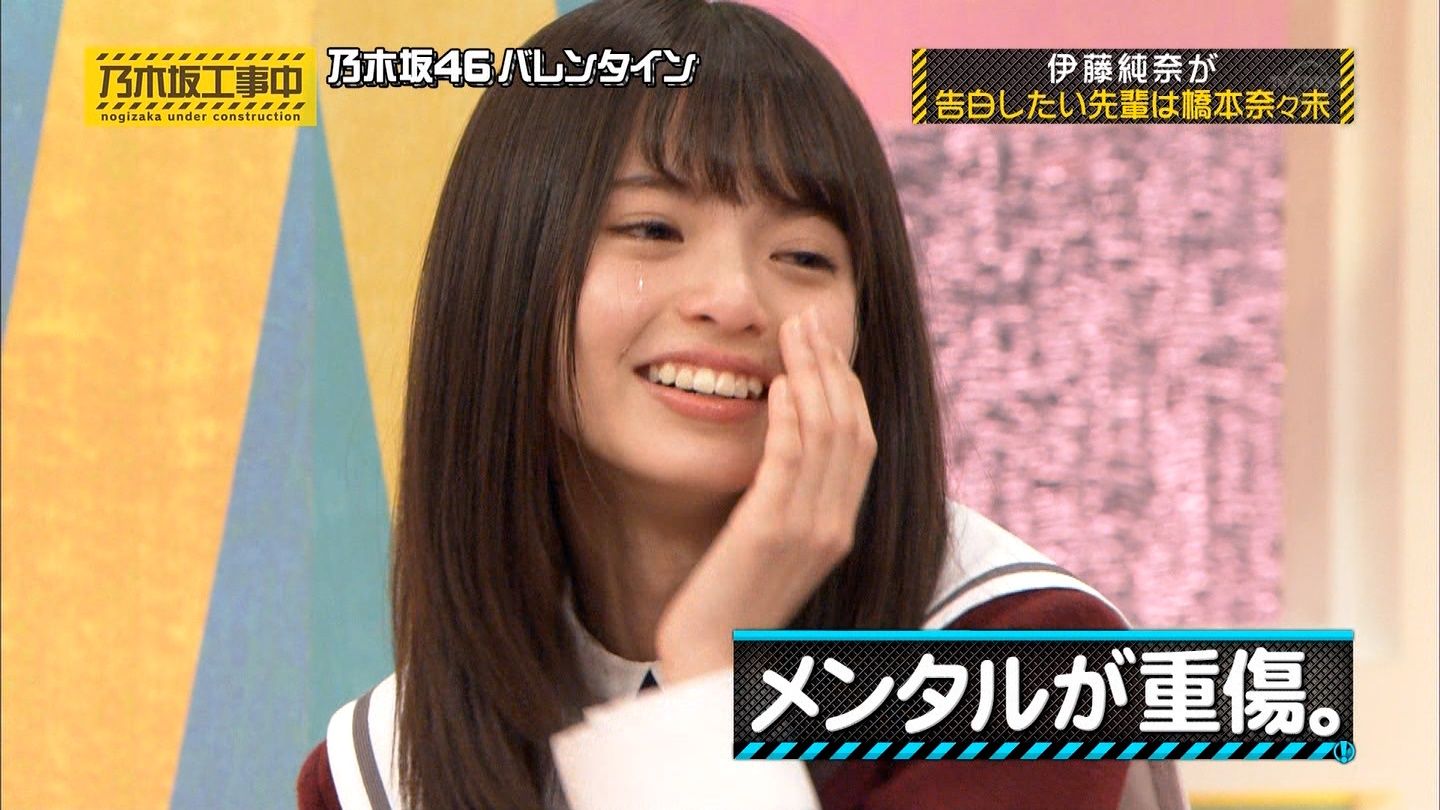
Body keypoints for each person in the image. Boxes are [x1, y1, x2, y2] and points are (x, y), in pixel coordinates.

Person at [297, 1, 1187, 808]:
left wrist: (713, 661)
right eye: (653, 229)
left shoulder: (1022, 662)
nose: (733, 300)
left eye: (802, 256)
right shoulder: (377, 772)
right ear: (504, 272)